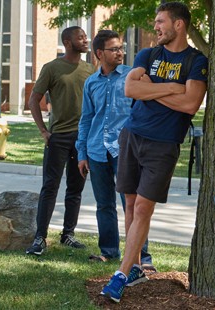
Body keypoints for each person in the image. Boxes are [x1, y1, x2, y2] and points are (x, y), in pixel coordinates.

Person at [100, 2, 208, 302]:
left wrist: (154, 88)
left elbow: (190, 104)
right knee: (131, 205)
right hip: (132, 136)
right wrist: (173, 88)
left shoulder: (196, 60)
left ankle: (120, 276)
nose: (156, 26)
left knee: (144, 208)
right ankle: (134, 266)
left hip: (163, 144)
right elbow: (130, 90)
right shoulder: (149, 54)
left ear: (179, 25)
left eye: (161, 21)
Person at [76, 30, 153, 267]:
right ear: (99, 53)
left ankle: (143, 257)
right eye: (114, 49)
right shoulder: (91, 82)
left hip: (127, 150)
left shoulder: (133, 76)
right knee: (104, 204)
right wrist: (82, 153)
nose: (120, 52)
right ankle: (109, 251)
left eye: (121, 48)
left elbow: (145, 112)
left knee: (134, 205)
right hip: (97, 150)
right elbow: (86, 119)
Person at [26, 26, 93, 256]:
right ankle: (40, 238)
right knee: (50, 187)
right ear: (67, 41)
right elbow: (34, 100)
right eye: (80, 37)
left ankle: (68, 234)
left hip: (82, 139)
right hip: (58, 137)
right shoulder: (52, 68)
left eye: (85, 37)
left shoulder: (90, 70)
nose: (85, 40)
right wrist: (44, 131)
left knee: (76, 188)